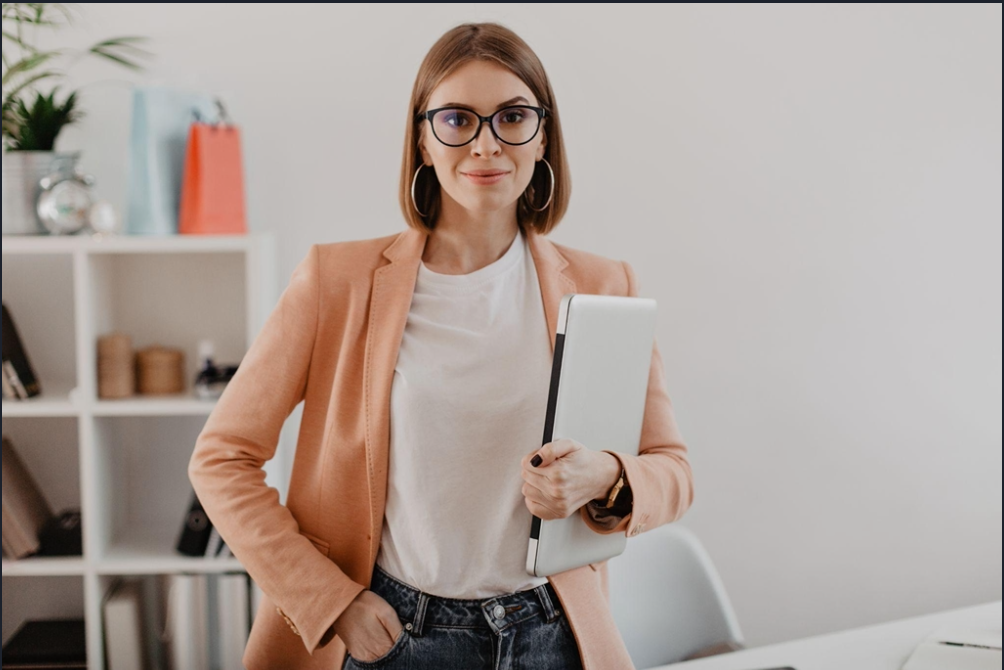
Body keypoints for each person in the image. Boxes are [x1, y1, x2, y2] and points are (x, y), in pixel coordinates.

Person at [188, 22, 694, 670]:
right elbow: (222, 457)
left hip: (552, 634)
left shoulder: (603, 286)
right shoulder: (335, 283)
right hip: (397, 636)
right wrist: (330, 601)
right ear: (423, 139)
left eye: (513, 116)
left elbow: (673, 470)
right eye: (457, 119)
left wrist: (605, 476)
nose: (486, 144)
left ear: (544, 136)